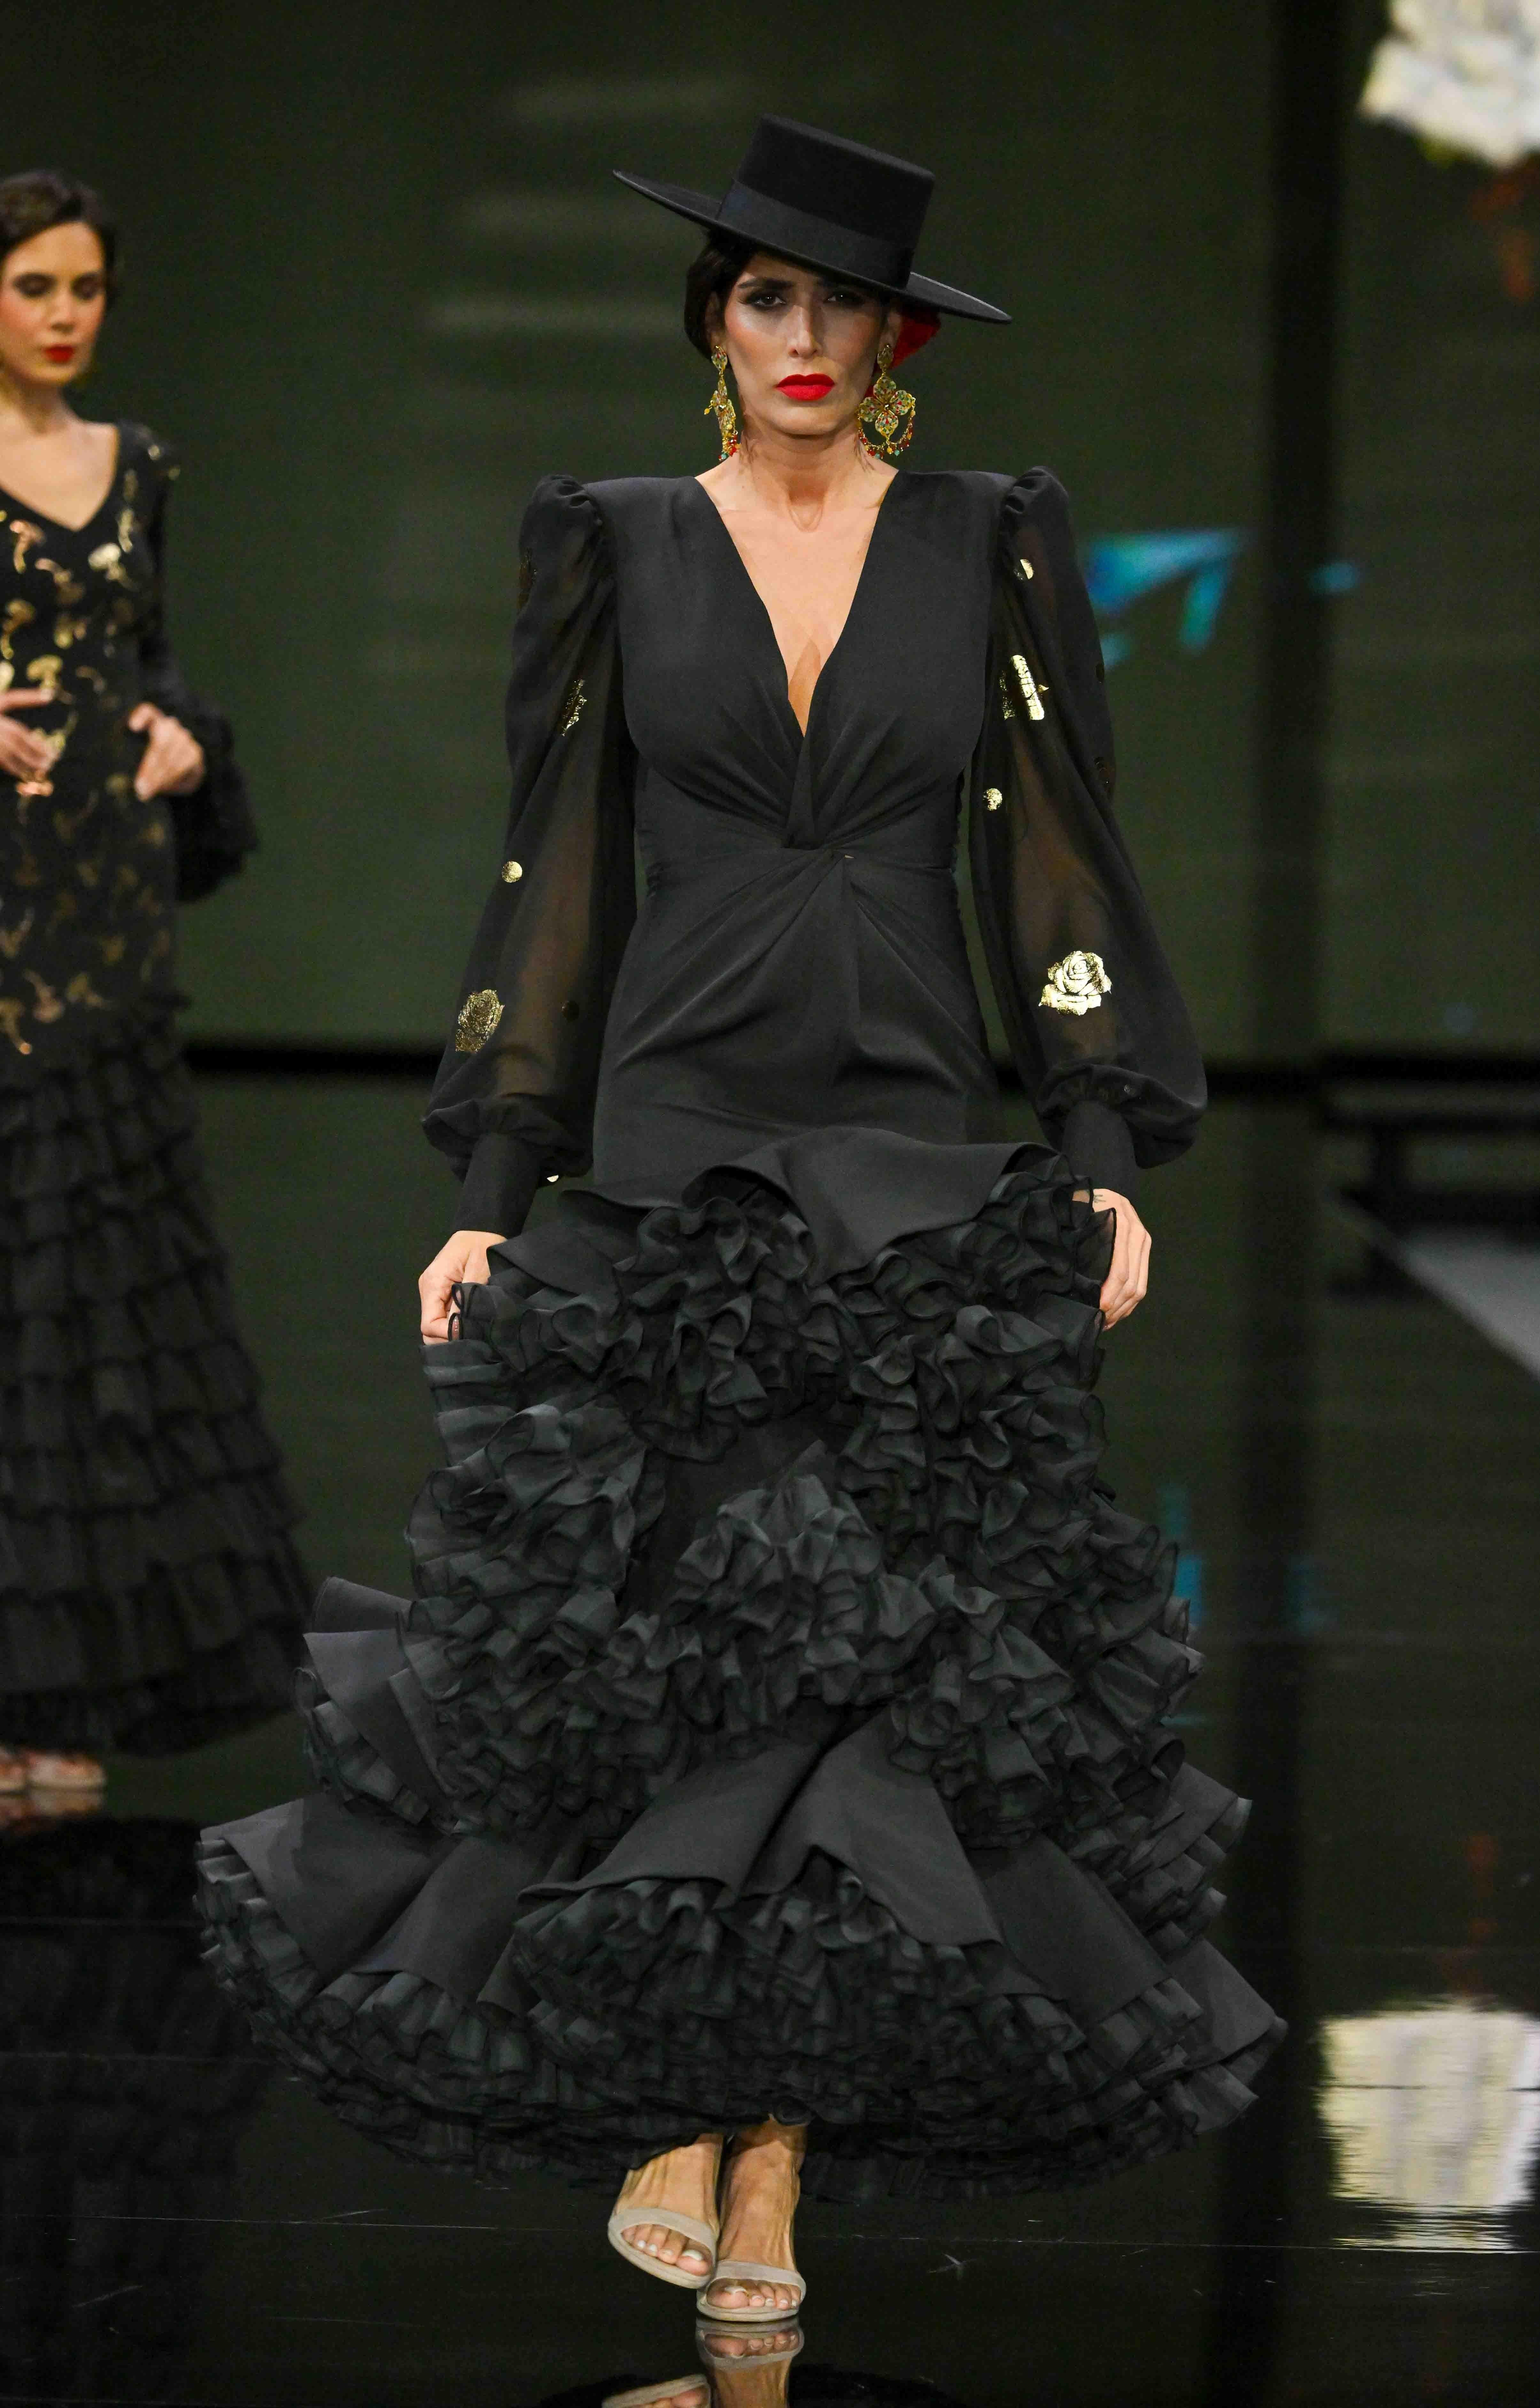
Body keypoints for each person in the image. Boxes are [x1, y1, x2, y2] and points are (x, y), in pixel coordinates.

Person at [199, 118, 1282, 2328]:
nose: (804, 337)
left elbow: (1053, 846)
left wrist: (1093, 1135)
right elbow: (562, 863)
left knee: (865, 1666)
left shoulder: (988, 538)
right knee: (684, 1649)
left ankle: (767, 2151)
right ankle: (695, 2111)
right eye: (767, 296)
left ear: (899, 341)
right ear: (716, 317)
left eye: (842, 304)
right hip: (668, 1133)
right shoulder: (616, 536)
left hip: (906, 1134)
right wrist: (498, 1179)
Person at [0, 171, 307, 1790]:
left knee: (93, 1315)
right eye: (35, 284)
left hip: (103, 916)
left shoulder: (137, 466)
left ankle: (68, 1706)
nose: (66, 315)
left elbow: (150, 656)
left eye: (87, 288)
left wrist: (181, 733)